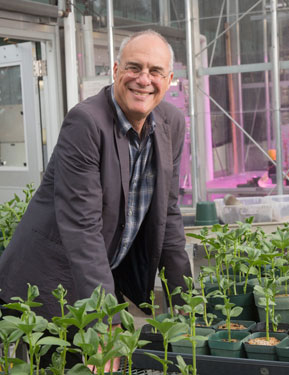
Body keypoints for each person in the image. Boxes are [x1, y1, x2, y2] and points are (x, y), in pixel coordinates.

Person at [0, 29, 192, 366]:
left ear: (170, 79)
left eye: (155, 71)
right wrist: (105, 323)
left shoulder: (171, 123)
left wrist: (188, 306)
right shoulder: (86, 122)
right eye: (134, 67)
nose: (143, 80)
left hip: (98, 278)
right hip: (48, 281)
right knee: (67, 365)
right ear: (115, 70)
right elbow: (82, 228)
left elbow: (169, 215)